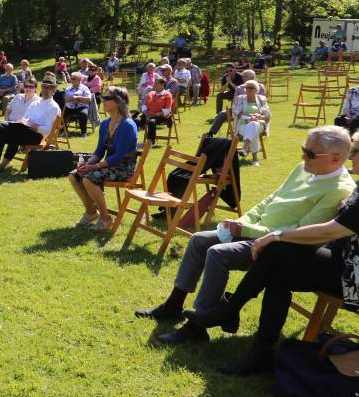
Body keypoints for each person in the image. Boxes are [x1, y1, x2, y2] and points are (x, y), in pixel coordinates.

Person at [137, 126, 355, 344]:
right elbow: (270, 200)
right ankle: (174, 305)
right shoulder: (303, 168)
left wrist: (245, 230)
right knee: (198, 240)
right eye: (303, 149)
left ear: (335, 159)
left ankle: (197, 327)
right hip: (256, 233)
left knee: (217, 253)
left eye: (310, 153)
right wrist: (241, 222)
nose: (303, 156)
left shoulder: (339, 189)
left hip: (279, 247)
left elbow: (299, 230)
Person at [186, 135, 359, 375]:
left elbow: (332, 230)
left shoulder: (346, 186)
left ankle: (232, 311)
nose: (351, 155)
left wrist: (275, 235)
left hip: (353, 278)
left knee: (279, 251)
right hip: (343, 261)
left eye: (356, 150)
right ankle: (260, 352)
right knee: (280, 269)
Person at [68, 86, 139, 232]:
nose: (103, 100)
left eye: (107, 98)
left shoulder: (128, 125)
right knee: (74, 176)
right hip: (108, 165)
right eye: (103, 98)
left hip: (123, 168)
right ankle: (91, 212)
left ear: (118, 102)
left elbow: (119, 156)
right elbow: (100, 150)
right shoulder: (106, 123)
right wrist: (87, 164)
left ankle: (106, 219)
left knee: (89, 178)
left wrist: (94, 167)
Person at [0, 78, 60, 176]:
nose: (45, 90)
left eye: (48, 88)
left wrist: (35, 127)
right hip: (24, 130)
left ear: (53, 91)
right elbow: (26, 118)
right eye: (44, 87)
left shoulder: (53, 107)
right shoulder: (36, 103)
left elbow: (48, 130)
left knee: (0, 126)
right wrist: (22, 121)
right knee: (0, 136)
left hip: (36, 136)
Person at [232, 81, 271, 163]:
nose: (248, 89)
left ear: (256, 90)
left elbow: (267, 116)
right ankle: (255, 159)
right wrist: (249, 117)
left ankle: (245, 147)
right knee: (253, 129)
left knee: (253, 125)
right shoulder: (239, 99)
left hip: (259, 124)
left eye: (251, 88)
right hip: (242, 125)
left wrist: (260, 116)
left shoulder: (261, 99)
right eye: (246, 88)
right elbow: (235, 113)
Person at [133, 77, 173, 145]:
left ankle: (150, 142)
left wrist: (153, 116)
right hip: (147, 114)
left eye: (156, 83)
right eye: (155, 82)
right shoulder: (151, 93)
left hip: (160, 116)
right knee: (136, 121)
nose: (154, 84)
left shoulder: (167, 95)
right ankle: (133, 141)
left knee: (151, 122)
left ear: (162, 84)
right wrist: (146, 115)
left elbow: (167, 110)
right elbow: (144, 106)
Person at [62, 72, 92, 137]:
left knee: (83, 114)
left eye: (73, 79)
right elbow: (65, 99)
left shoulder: (85, 88)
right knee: (61, 113)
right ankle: (64, 130)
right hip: (69, 107)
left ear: (79, 80)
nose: (71, 80)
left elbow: (89, 99)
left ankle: (83, 132)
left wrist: (78, 98)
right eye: (71, 78)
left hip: (81, 107)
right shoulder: (68, 88)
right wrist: (72, 98)